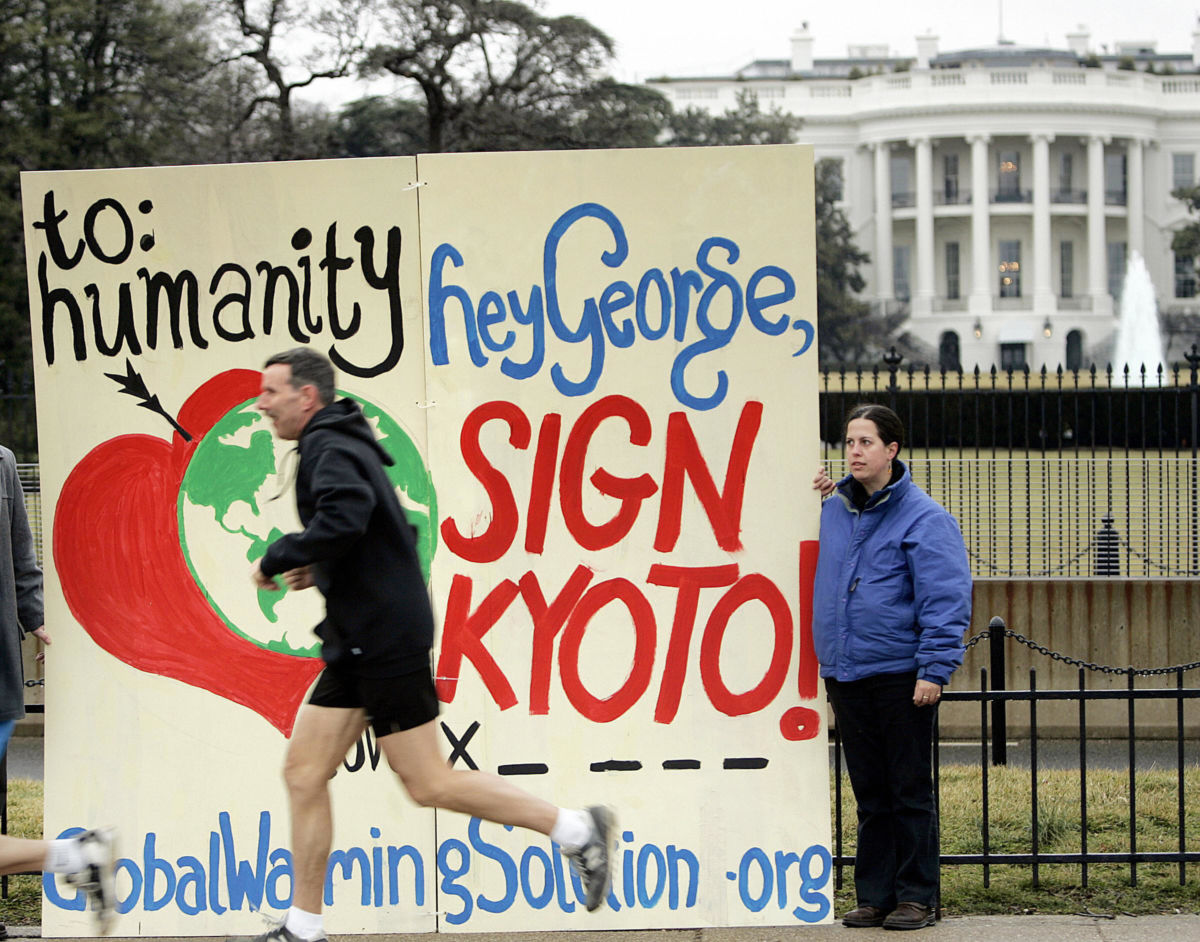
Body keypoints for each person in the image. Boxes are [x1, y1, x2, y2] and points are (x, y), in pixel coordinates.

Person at [233, 349, 613, 942]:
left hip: (381, 640)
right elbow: (368, 531)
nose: (261, 405)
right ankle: (303, 929)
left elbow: (348, 516)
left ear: (306, 397)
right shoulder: (338, 441)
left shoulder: (329, 447)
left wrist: (281, 556)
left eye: (270, 393)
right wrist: (320, 565)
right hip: (364, 636)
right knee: (305, 773)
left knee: (428, 783)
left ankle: (576, 829)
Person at [811, 404, 971, 931]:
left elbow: (945, 600)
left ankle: (916, 896)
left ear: (892, 450)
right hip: (847, 673)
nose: (853, 451)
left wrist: (934, 669)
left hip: (901, 675)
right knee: (870, 795)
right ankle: (874, 895)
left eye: (865, 442)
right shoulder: (834, 508)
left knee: (908, 791)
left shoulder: (926, 518)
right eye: (849, 442)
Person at [0, 445, 115, 934]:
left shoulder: (3, 463)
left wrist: (39, 617)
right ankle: (77, 856)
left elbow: (21, 553)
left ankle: (75, 855)